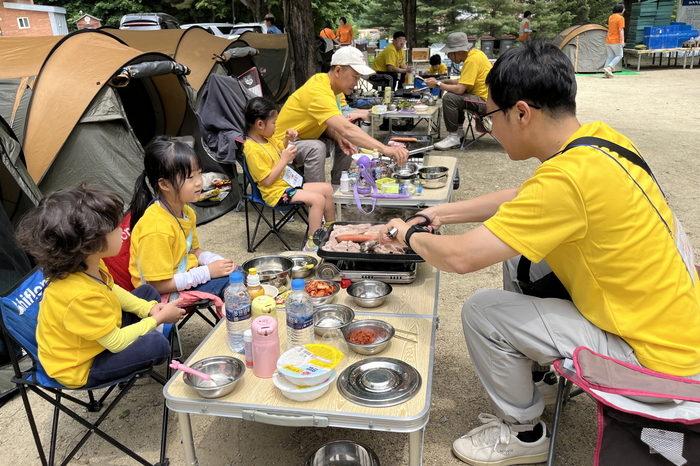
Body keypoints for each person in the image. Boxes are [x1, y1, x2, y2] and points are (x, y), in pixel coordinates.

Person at [378, 42, 700, 465]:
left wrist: (407, 234)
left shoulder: (568, 182)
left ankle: (524, 434)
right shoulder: (599, 142)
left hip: (653, 359)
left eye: (490, 116)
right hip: (673, 325)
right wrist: (438, 211)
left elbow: (460, 259)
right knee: (520, 257)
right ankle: (537, 374)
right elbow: (523, 197)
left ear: (522, 112)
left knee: (482, 310)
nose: (490, 127)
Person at [16, 186, 187, 389]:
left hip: (96, 337)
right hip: (81, 366)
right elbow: (115, 342)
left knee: (147, 294)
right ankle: (144, 341)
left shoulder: (88, 263)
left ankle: (142, 335)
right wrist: (157, 318)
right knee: (157, 346)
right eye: (114, 228)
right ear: (91, 244)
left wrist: (148, 310)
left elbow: (112, 289)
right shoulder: (78, 295)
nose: (121, 230)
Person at [273, 46, 408, 188]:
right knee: (316, 147)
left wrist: (339, 136)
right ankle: (317, 196)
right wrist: (385, 149)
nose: (356, 83)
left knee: (346, 141)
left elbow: (323, 125)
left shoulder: (330, 87)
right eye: (354, 77)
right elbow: (346, 128)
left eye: (359, 78)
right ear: (338, 70)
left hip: (303, 138)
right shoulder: (318, 91)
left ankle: (338, 188)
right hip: (282, 144)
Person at [129, 136, 237, 300]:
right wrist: (207, 272)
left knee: (238, 273)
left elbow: (192, 250)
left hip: (184, 275)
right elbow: (157, 285)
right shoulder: (156, 228)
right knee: (234, 284)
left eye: (199, 174)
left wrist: (216, 260)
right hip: (161, 294)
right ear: (164, 185)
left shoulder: (186, 212)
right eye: (190, 177)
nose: (199, 182)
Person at [243, 97, 336, 252]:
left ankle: (331, 229)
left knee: (327, 189)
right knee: (317, 199)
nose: (275, 126)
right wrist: (284, 160)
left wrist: (288, 139)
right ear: (260, 124)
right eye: (273, 122)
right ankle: (313, 243)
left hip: (288, 184)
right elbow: (266, 181)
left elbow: (280, 148)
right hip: (275, 193)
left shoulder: (268, 138)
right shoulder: (252, 149)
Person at [424, 32, 491, 150]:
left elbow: (460, 89)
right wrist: (445, 81)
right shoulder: (477, 54)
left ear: (456, 51)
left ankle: (453, 137)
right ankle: (459, 131)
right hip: (489, 98)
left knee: (450, 98)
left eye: (449, 53)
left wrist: (438, 84)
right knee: (455, 95)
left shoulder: (472, 60)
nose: (448, 56)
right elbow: (466, 81)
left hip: (486, 102)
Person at [604, 4, 626, 78]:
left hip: (608, 40)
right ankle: (609, 68)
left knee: (610, 56)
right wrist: (622, 40)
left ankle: (606, 72)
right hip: (616, 40)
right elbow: (620, 29)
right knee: (619, 55)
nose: (624, 10)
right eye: (623, 9)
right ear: (621, 10)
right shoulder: (620, 18)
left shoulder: (610, 17)